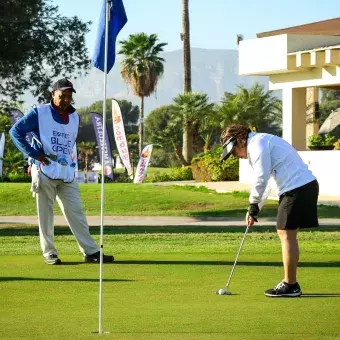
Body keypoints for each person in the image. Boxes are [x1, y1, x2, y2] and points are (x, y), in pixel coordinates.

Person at [9, 78, 114, 265]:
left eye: (69, 96)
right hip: (44, 170)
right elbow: (15, 132)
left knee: (76, 211)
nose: (66, 99)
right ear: (53, 94)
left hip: (67, 172)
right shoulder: (39, 112)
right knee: (46, 214)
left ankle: (90, 251)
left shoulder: (75, 117)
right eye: (62, 95)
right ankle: (50, 253)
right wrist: (34, 154)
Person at [220, 124, 319, 298]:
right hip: (299, 187)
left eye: (234, 151)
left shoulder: (257, 144)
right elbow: (267, 181)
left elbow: (261, 177)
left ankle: (290, 285)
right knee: (287, 234)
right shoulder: (259, 143)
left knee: (286, 233)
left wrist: (253, 203)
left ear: (239, 140)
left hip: (297, 187)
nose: (235, 156)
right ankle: (290, 283)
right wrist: (255, 207)